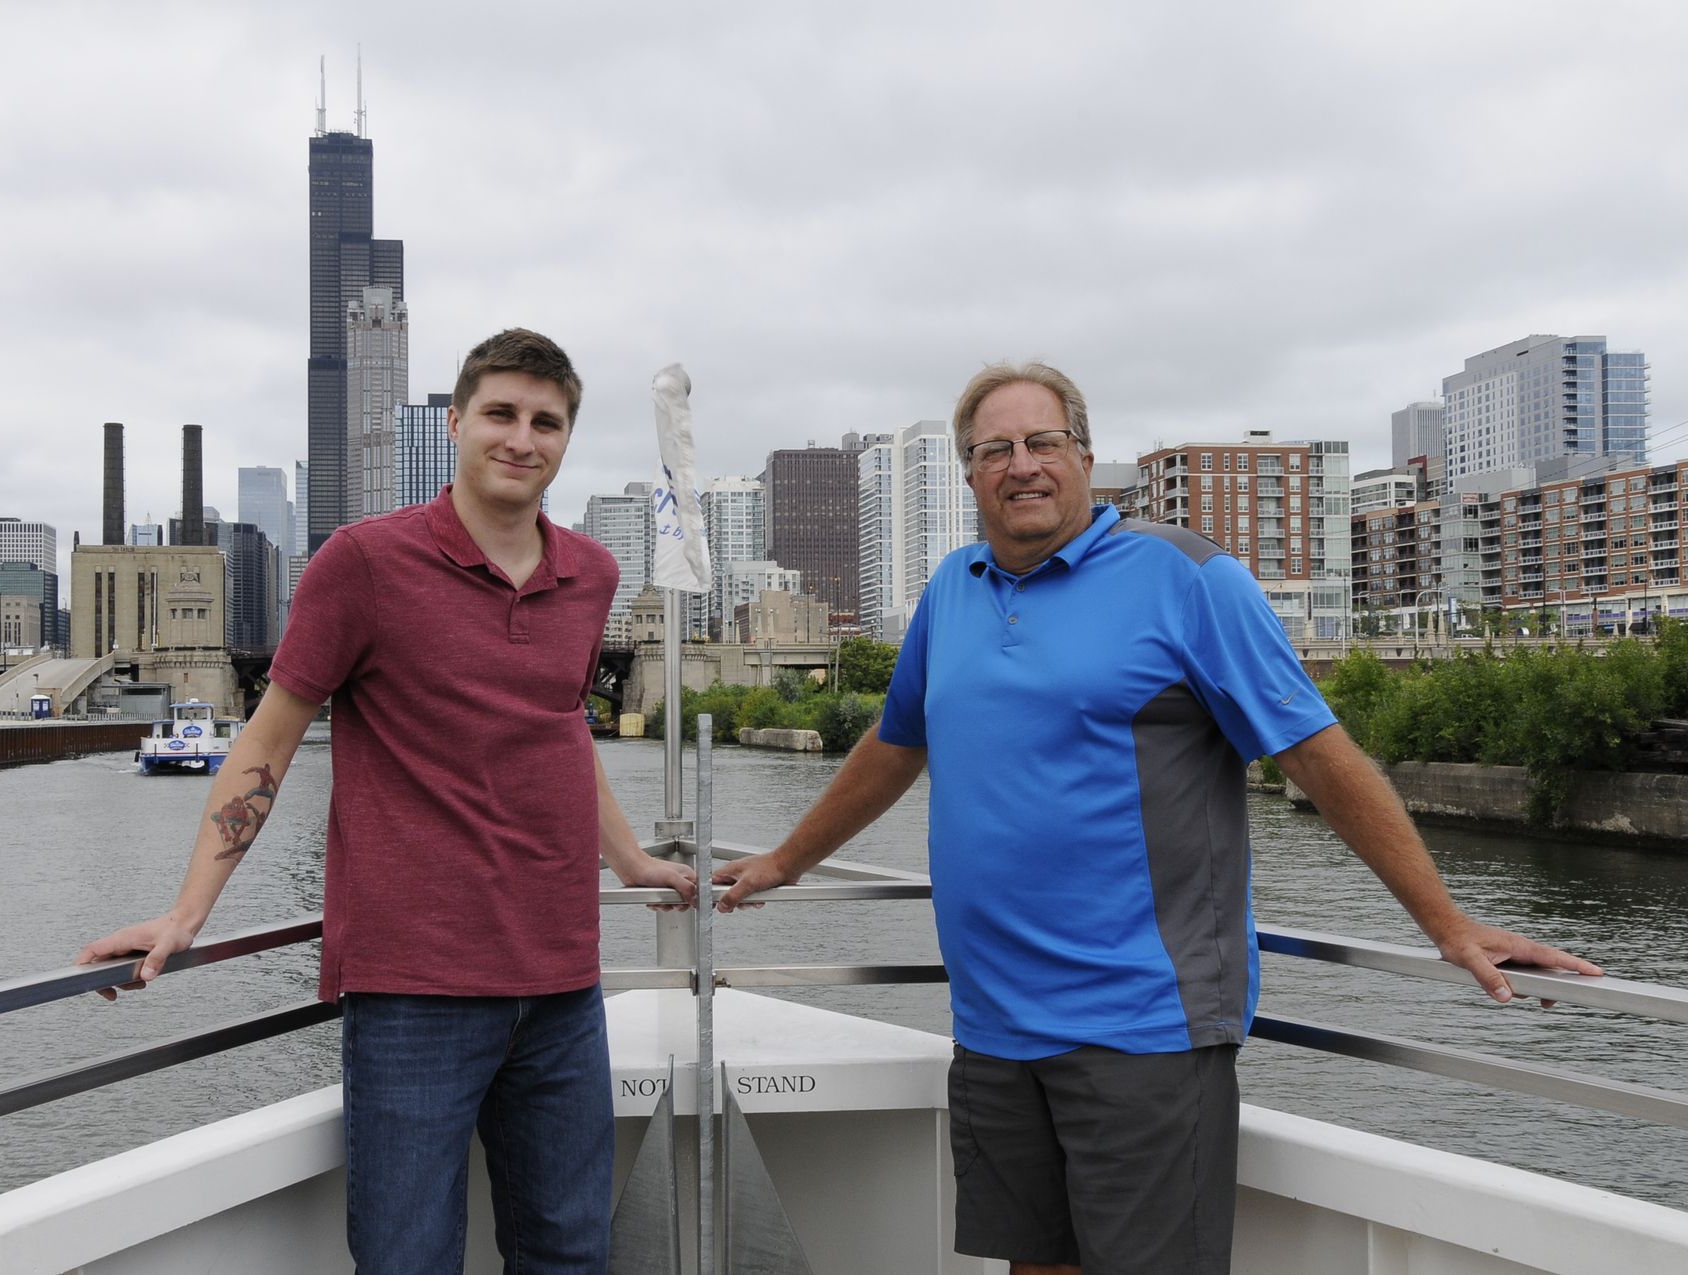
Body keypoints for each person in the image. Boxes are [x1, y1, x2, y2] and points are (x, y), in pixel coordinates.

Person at [713, 361, 1602, 1275]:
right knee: (1035, 1267)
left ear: (1085, 458)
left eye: (1044, 442)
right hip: (993, 1022)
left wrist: (1446, 924)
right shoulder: (951, 590)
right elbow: (894, 748)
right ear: (968, 471)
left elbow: (1318, 754)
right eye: (996, 448)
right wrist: (786, 860)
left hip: (1142, 1023)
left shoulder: (1187, 578)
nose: (1023, 465)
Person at [77, 328, 697, 1275]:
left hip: (565, 983)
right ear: (455, 422)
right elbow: (268, 741)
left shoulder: (592, 575)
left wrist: (629, 860)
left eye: (547, 422)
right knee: (407, 1260)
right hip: (415, 990)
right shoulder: (363, 563)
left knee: (571, 1253)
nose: (521, 439)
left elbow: (562, 727)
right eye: (500, 413)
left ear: (567, 438)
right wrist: (186, 911)